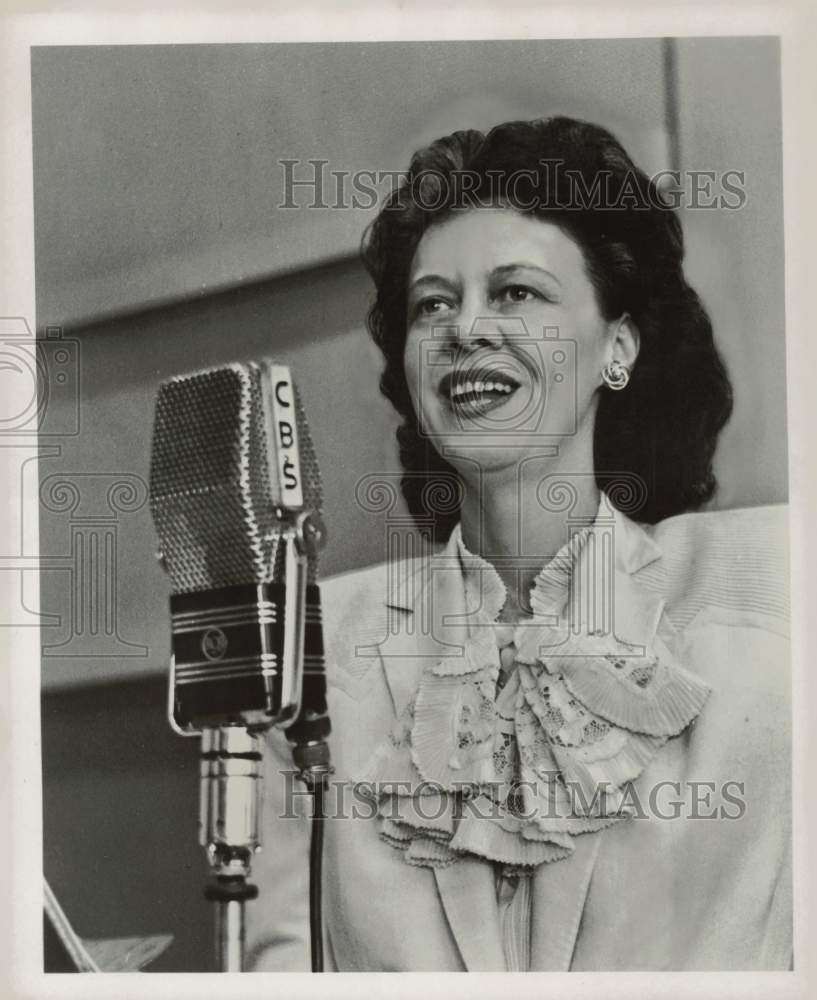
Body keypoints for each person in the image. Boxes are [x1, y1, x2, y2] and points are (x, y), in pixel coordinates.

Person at [246, 116, 791, 972]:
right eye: (433, 303)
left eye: (516, 293)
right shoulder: (311, 645)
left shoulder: (772, 589)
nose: (465, 328)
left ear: (617, 345)